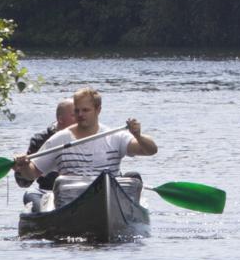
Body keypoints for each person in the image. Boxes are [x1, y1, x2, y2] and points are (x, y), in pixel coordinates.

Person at [12, 87, 157, 207]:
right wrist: (24, 165)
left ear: (98, 110)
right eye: (77, 110)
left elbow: (150, 150)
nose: (80, 115)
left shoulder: (116, 137)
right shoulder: (59, 139)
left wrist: (138, 135)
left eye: (85, 110)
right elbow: (31, 174)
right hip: (70, 204)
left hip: (109, 202)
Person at [12, 98, 80, 194]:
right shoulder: (40, 140)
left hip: (79, 189)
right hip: (48, 192)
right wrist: (21, 167)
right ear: (60, 119)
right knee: (30, 194)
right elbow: (24, 183)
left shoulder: (88, 136)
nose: (80, 117)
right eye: (74, 115)